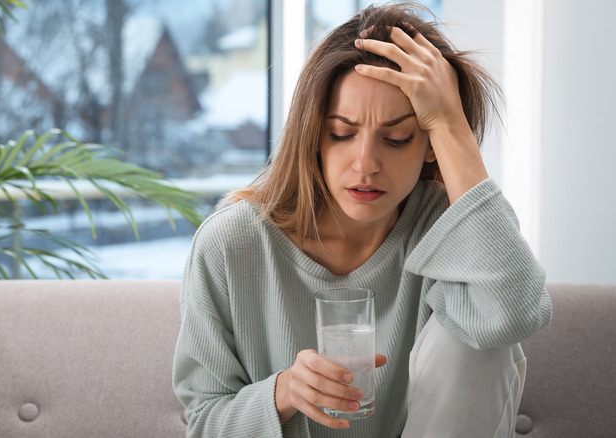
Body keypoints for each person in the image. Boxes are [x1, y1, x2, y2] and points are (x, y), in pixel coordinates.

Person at [173, 3, 552, 437]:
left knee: (482, 333)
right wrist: (286, 392)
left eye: (397, 138)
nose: (366, 164)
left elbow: (514, 314)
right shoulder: (230, 244)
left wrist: (450, 122)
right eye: (341, 133)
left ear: (429, 143)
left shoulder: (451, 227)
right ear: (314, 135)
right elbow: (203, 424)